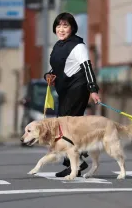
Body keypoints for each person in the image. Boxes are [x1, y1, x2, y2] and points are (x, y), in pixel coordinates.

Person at [43, 12, 101, 177]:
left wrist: (93, 90)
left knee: (66, 126)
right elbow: (58, 69)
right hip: (65, 90)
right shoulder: (58, 46)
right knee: (64, 127)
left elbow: (87, 67)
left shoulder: (78, 46)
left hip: (78, 88)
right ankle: (75, 161)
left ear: (72, 28)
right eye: (58, 26)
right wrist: (48, 75)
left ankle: (77, 161)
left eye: (65, 26)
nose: (61, 29)